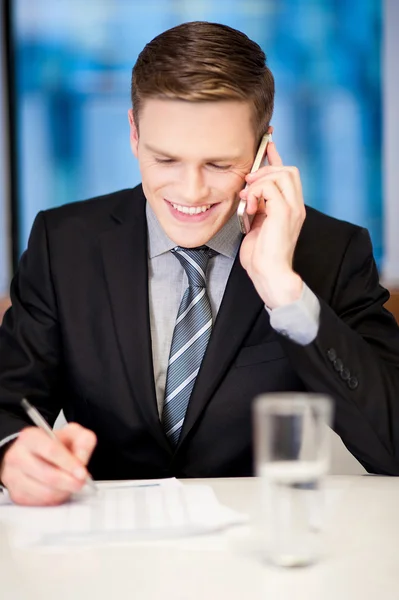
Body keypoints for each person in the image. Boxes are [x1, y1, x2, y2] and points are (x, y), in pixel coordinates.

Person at [1, 21, 399, 507]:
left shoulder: (331, 252)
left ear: (262, 150)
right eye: (165, 160)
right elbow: (8, 402)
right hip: (108, 556)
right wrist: (12, 452)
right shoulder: (63, 244)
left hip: (264, 560)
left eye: (218, 164)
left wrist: (283, 290)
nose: (190, 193)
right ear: (133, 132)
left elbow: (393, 447)